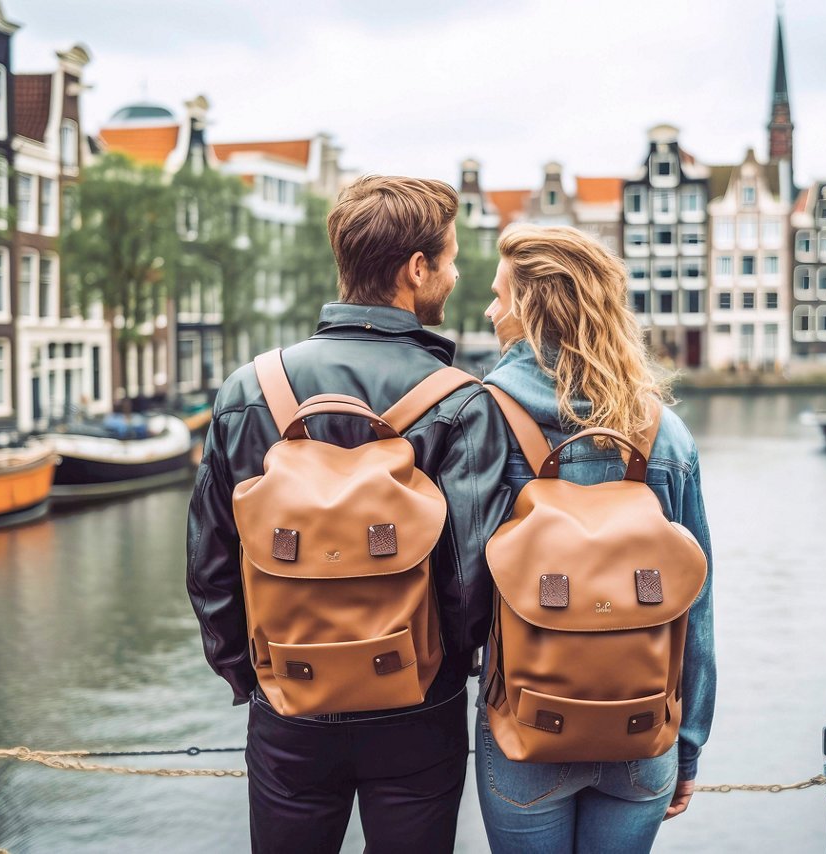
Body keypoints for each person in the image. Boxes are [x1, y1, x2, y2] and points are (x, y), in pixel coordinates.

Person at [186, 175, 512, 854]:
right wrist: (449, 672)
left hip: (289, 699)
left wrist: (249, 674)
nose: (453, 279)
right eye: (449, 263)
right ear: (415, 269)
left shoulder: (249, 390)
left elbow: (211, 560)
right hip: (417, 707)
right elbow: (468, 580)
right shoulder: (461, 402)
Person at [477, 224, 716, 853]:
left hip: (525, 727)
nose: (489, 310)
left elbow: (461, 585)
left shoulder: (484, 419)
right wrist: (686, 745)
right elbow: (697, 611)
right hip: (642, 731)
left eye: (500, 296)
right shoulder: (665, 434)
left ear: (530, 308)